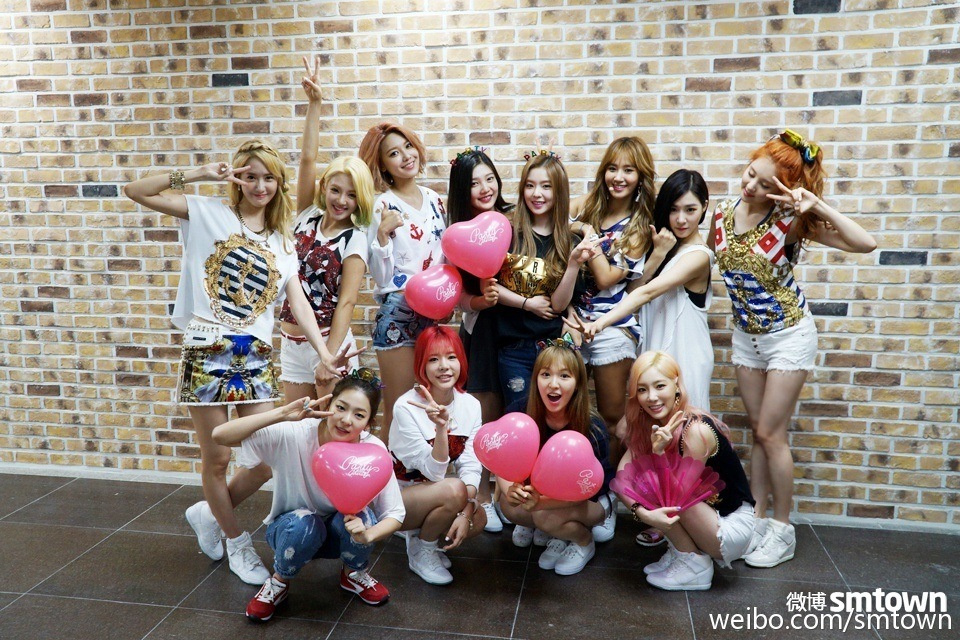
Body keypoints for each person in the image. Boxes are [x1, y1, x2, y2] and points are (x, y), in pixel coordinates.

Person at [123, 140, 348, 585]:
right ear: (237, 178)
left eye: (268, 178)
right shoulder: (208, 213)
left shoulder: (283, 241)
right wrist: (199, 173)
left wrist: (324, 352)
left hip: (256, 354)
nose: (259, 186)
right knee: (218, 457)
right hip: (208, 345)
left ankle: (209, 514)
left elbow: (299, 302)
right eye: (250, 176)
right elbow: (135, 190)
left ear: (279, 183)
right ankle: (236, 542)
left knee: (265, 457)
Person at [709, 130, 876, 567]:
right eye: (751, 174)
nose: (752, 186)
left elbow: (865, 242)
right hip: (747, 336)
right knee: (759, 431)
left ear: (783, 189)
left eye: (766, 184)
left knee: (771, 434)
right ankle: (756, 518)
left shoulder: (792, 221)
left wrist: (817, 205)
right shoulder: (721, 213)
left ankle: (782, 530)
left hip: (789, 335)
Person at [211, 370, 403, 622]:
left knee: (365, 517)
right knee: (305, 523)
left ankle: (353, 573)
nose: (346, 420)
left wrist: (367, 535)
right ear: (328, 404)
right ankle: (279, 582)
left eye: (359, 415)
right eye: (341, 407)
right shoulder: (295, 433)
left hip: (341, 534)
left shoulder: (373, 451)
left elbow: (395, 514)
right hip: (292, 531)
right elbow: (220, 435)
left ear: (368, 423)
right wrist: (282, 413)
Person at [573, 169, 714, 412]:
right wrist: (658, 253)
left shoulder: (700, 256)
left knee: (685, 425)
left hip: (686, 353)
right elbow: (634, 290)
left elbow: (647, 293)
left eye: (690, 210)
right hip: (657, 353)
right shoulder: (669, 246)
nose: (681, 219)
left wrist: (600, 323)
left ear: (704, 207)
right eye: (673, 209)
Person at [616, 351, 756, 591]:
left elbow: (677, 494)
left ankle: (694, 565)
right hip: (702, 514)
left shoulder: (696, 430)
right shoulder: (648, 423)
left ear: (676, 386)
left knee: (653, 480)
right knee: (641, 478)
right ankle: (683, 552)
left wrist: (658, 453)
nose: (652, 397)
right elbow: (622, 477)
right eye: (642, 390)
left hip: (728, 526)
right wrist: (643, 513)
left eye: (660, 386)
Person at [279, 57, 372, 404]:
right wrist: (314, 105)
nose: (341, 200)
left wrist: (328, 358)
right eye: (336, 190)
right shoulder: (306, 214)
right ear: (324, 187)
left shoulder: (355, 239)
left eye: (352, 194)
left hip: (329, 343)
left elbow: (347, 302)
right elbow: (307, 159)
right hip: (291, 343)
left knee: (330, 428)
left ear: (360, 199)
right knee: (296, 425)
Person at [567, 137, 659, 463]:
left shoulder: (639, 226)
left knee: (611, 419)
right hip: (573, 321)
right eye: (612, 168)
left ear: (641, 177)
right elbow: (554, 216)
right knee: (568, 414)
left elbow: (606, 277)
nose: (618, 177)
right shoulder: (591, 205)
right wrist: (581, 224)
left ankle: (611, 489)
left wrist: (586, 233)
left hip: (613, 326)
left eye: (628, 170)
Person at [360, 122, 446, 443]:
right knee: (398, 410)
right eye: (394, 153)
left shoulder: (435, 199)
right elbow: (382, 278)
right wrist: (383, 235)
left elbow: (444, 257)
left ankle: (418, 473)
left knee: (427, 411)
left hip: (433, 315)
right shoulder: (382, 205)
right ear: (384, 165)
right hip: (398, 313)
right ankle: (385, 474)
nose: (406, 156)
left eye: (408, 147)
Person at [496, 343, 615, 576]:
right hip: (541, 494)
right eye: (546, 374)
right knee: (508, 506)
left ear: (578, 383)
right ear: (535, 379)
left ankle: (582, 541)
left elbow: (588, 490)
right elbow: (503, 461)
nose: (553, 384)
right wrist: (510, 489)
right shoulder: (520, 412)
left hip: (591, 499)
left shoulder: (592, 427)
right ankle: (554, 532)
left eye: (564, 376)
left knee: (545, 517)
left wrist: (541, 505)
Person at [495, 151, 597, 409]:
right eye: (530, 185)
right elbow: (490, 287)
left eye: (546, 186)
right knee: (519, 415)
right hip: (514, 350)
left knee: (555, 419)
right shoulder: (509, 234)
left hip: (553, 350)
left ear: (559, 191)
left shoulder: (569, 242)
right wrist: (526, 304)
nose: (536, 194)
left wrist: (573, 264)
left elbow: (560, 305)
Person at [446, 147, 512, 532]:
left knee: (515, 411)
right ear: (462, 189)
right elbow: (458, 297)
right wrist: (481, 301)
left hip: (518, 329)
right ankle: (483, 495)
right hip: (482, 330)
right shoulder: (457, 234)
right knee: (485, 413)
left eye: (490, 178)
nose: (485, 188)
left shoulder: (512, 220)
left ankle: (512, 495)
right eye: (474, 183)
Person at [389, 326, 486, 585]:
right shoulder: (406, 406)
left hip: (435, 492)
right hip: (397, 498)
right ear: (422, 365)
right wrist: (442, 428)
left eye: (451, 357)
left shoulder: (470, 405)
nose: (444, 366)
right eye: (433, 359)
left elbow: (471, 465)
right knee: (454, 490)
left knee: (478, 519)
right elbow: (434, 472)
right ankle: (421, 550)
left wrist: (467, 511)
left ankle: (423, 535)